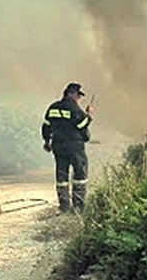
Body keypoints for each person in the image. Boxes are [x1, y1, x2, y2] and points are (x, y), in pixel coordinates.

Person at [41, 83, 94, 213]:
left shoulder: (53, 107)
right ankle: (78, 207)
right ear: (70, 93)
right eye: (78, 95)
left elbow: (46, 126)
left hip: (58, 146)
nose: (78, 99)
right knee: (80, 175)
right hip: (74, 147)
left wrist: (47, 141)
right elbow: (82, 125)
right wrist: (89, 115)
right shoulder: (73, 108)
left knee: (61, 175)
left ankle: (64, 206)